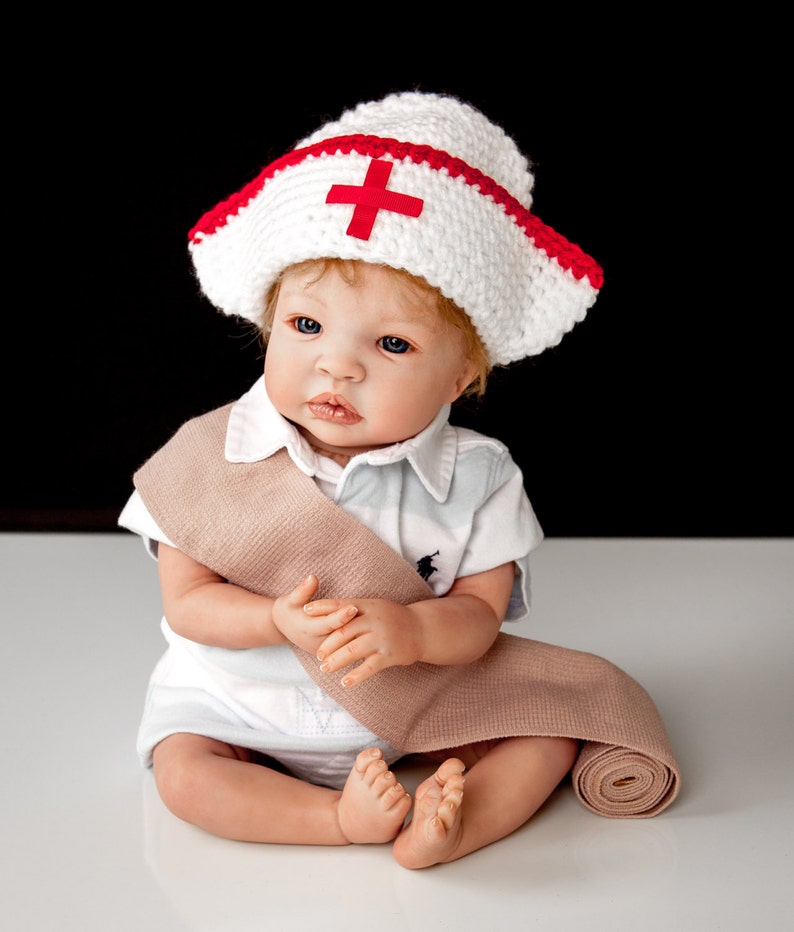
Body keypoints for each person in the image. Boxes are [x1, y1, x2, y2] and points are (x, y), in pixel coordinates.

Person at [119, 90, 606, 869]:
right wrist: (276, 621)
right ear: (268, 323)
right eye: (307, 327)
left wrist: (415, 631)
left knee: (553, 728)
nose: (337, 364)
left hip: (415, 703)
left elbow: (480, 615)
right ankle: (339, 821)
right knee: (185, 772)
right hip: (240, 708)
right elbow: (189, 603)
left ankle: (448, 825)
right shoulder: (205, 457)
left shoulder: (478, 475)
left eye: (391, 344)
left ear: (462, 375)